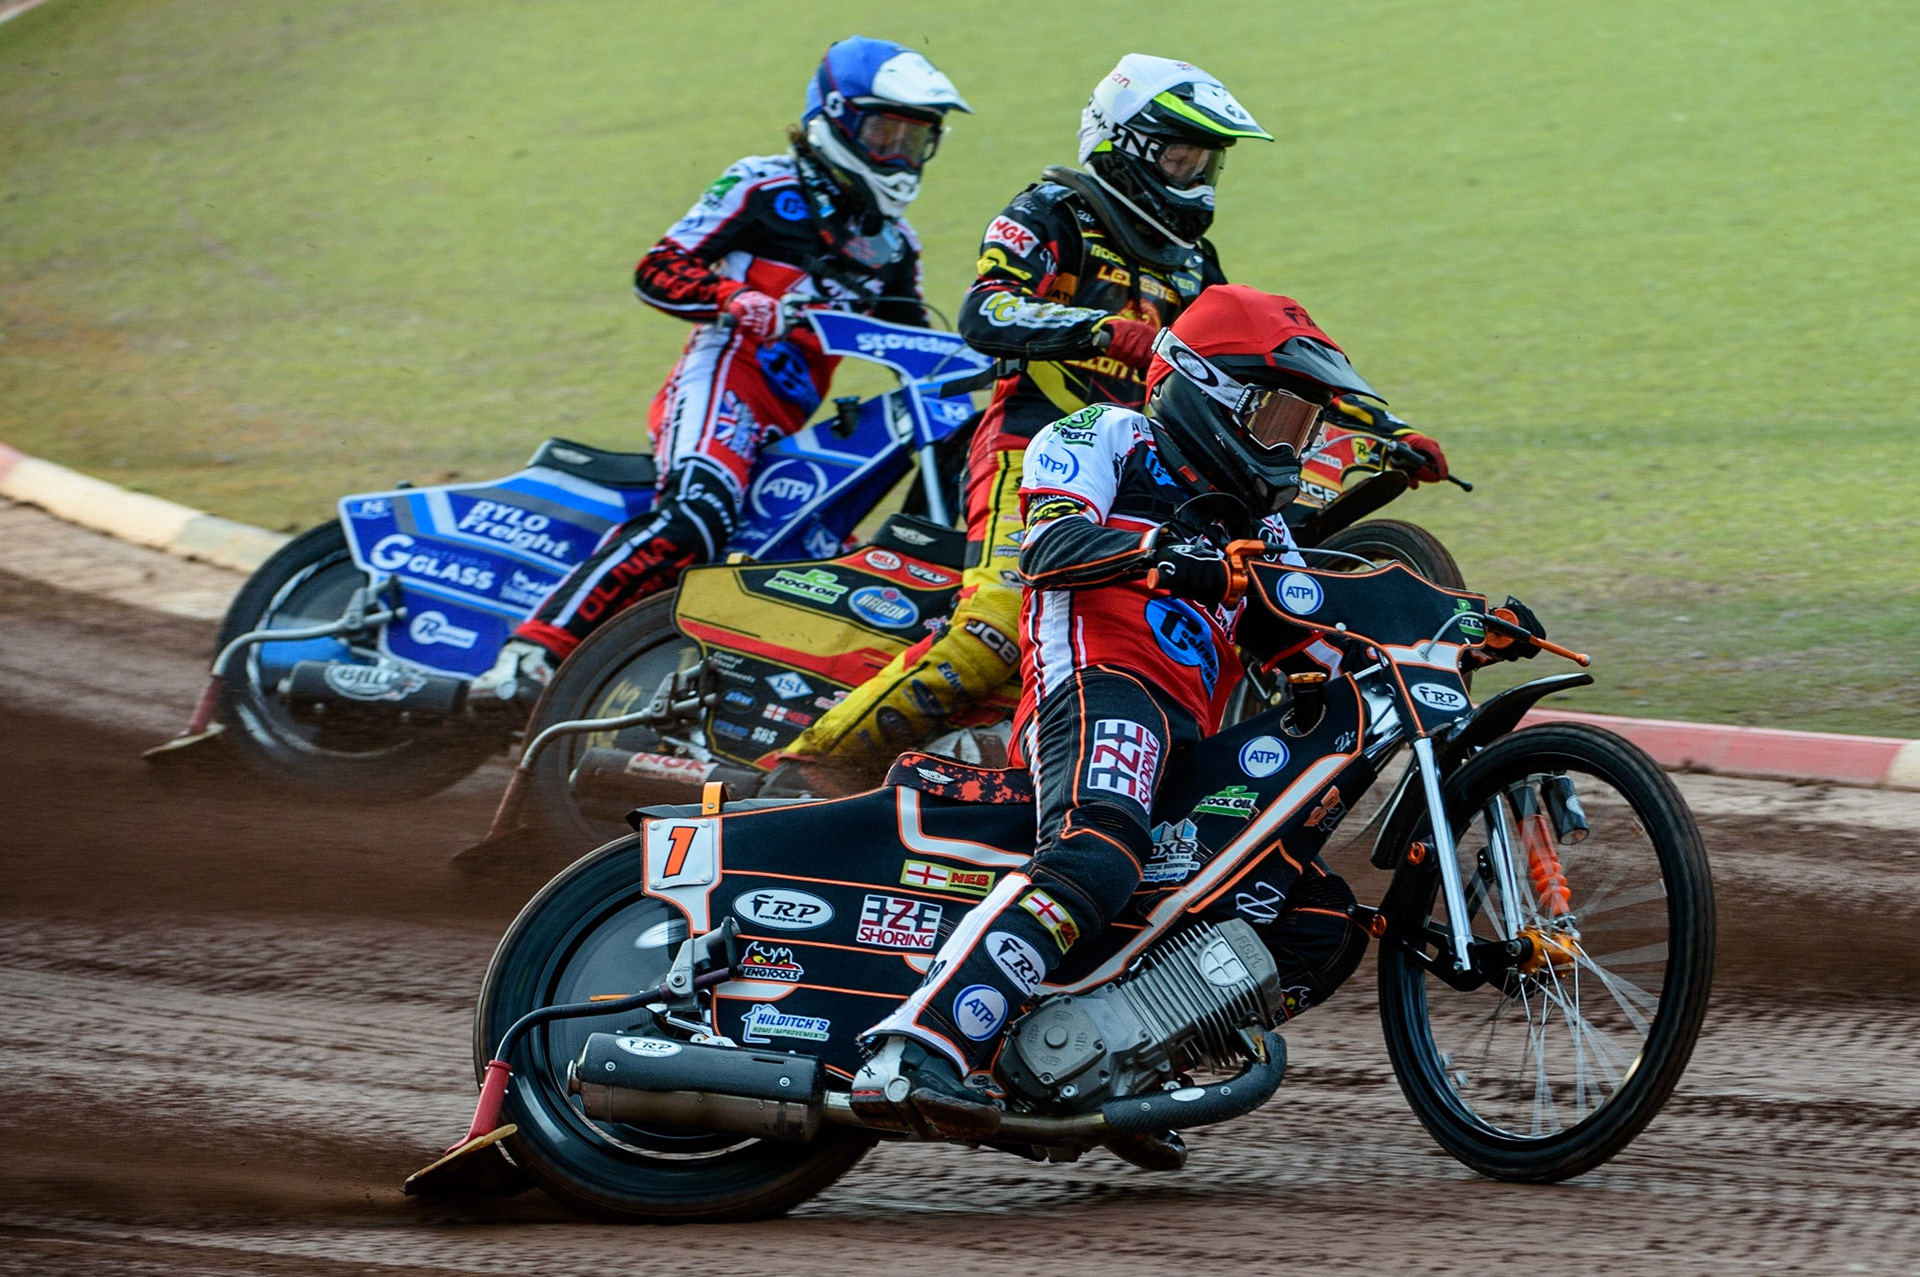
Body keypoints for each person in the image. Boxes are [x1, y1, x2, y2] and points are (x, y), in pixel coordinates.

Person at [851, 285, 1388, 1137]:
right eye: (1280, 417)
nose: (1294, 445)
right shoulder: (1103, 435)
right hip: (1097, 686)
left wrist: (1445, 647)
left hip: (1192, 740)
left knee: (1318, 921)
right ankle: (917, 1047)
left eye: (1305, 426)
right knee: (1099, 850)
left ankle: (1115, 1068)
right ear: (1211, 391)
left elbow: (1313, 644)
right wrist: (1166, 555)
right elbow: (1049, 547)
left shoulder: (1265, 524)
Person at [780, 53, 1296, 779]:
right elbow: (984, 309)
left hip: (1135, 472)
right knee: (998, 625)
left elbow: (1231, 352)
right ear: (1130, 145)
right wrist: (1102, 329)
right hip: (1031, 445)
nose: (1196, 176)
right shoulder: (1053, 211)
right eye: (1182, 156)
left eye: (1207, 161)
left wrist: (1371, 421)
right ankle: (803, 769)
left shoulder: (1193, 261)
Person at [472, 37, 969, 709]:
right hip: (724, 380)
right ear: (835, 118)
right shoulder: (763, 186)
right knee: (697, 516)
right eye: (885, 133)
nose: (900, 156)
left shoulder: (894, 246)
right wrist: (732, 298)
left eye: (916, 140)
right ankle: (530, 651)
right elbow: (658, 267)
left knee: (810, 557)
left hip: (791, 420)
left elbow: (922, 349)